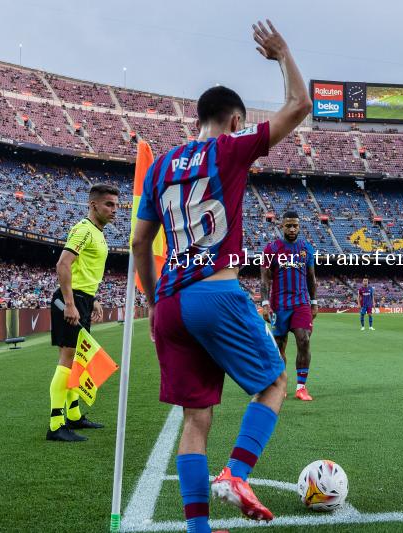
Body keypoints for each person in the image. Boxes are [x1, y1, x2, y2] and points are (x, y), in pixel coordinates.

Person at [132, 20, 311, 530]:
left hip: (169, 303)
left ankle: (198, 528)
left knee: (196, 417)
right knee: (275, 380)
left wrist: (149, 300)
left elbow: (141, 242)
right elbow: (299, 105)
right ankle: (236, 472)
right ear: (234, 120)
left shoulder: (162, 165)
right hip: (214, 291)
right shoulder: (229, 149)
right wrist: (282, 54)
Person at [47, 183, 118, 442]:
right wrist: (69, 302)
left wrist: (93, 299)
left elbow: (84, 271)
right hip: (72, 300)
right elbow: (63, 264)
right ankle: (56, 424)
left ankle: (74, 415)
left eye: (116, 206)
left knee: (79, 359)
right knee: (67, 359)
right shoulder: (83, 230)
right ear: (93, 204)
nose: (114, 210)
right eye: (109, 204)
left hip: (83, 299)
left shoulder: (98, 233)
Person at [261, 211, 318, 401]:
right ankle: (281, 385)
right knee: (279, 346)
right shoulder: (271, 248)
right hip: (279, 304)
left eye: (295, 225)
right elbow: (265, 279)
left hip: (301, 302)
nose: (292, 229)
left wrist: (314, 302)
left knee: (304, 340)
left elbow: (311, 277)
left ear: (299, 226)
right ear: (281, 226)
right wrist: (265, 303)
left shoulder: (307, 248)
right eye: (288, 225)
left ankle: (301, 387)